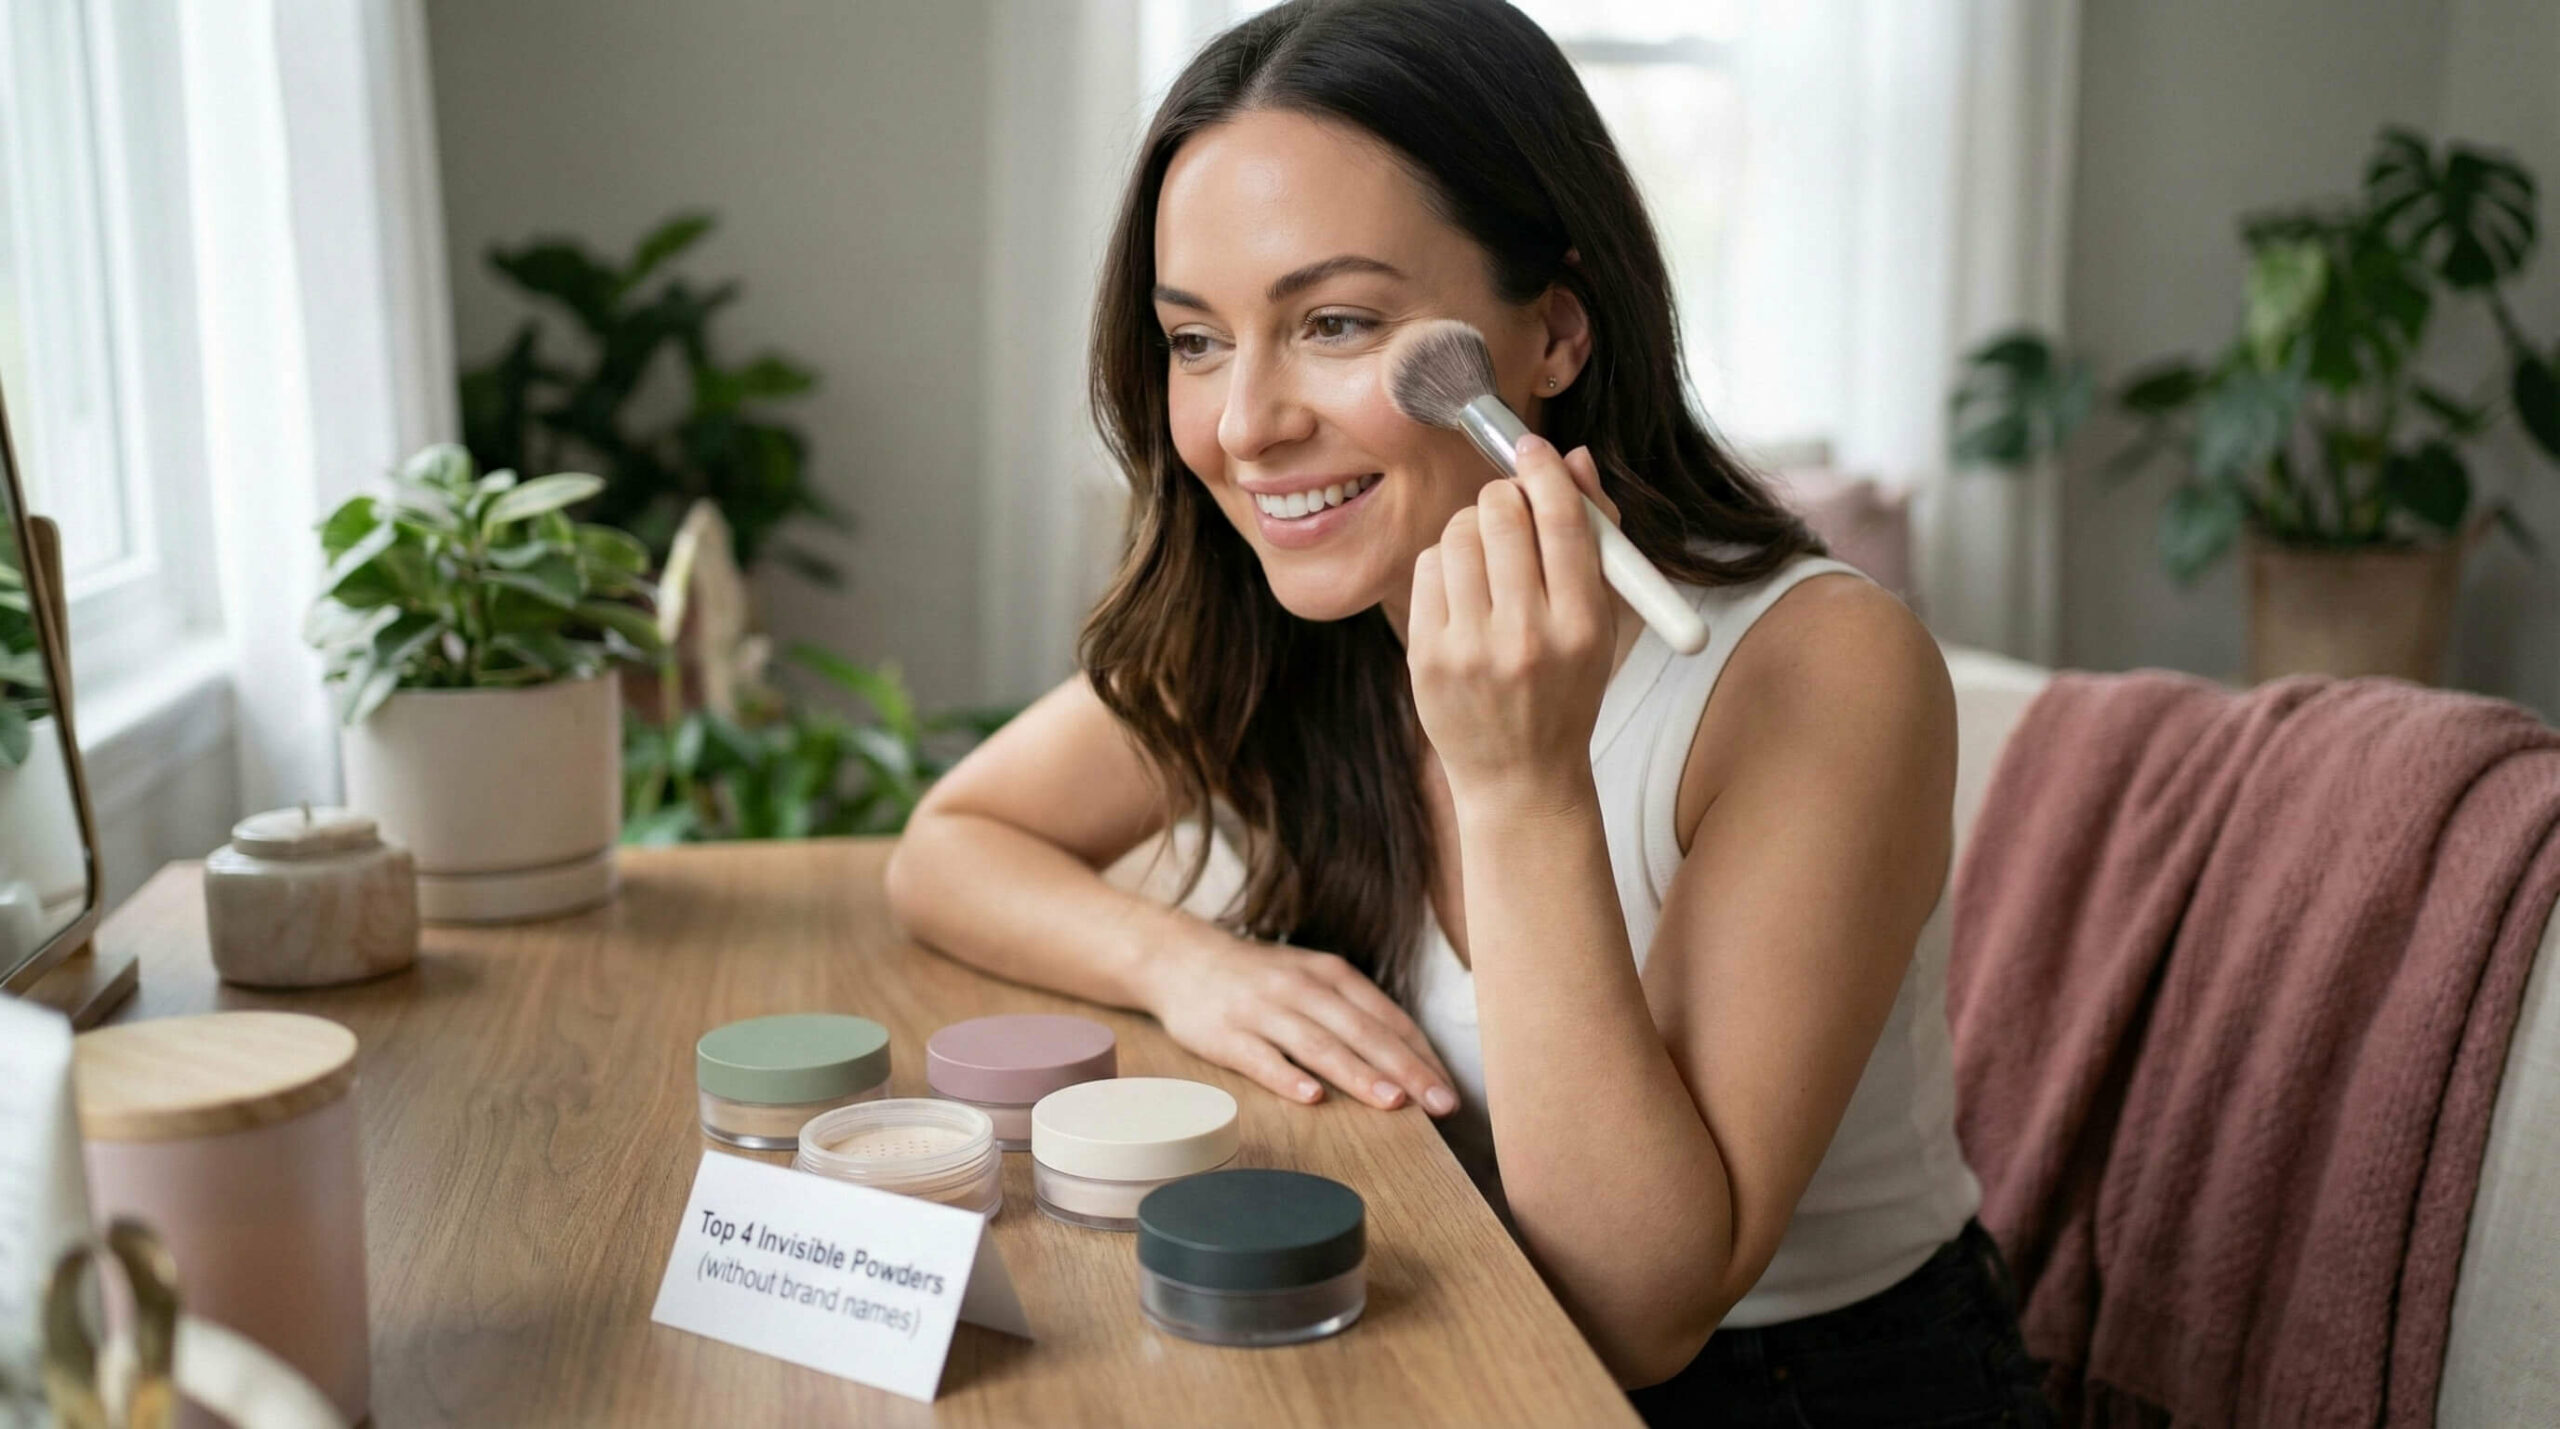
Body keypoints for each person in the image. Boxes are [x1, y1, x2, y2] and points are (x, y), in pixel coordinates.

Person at [887, 1, 2049, 1421]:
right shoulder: (1309, 607)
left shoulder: (1818, 670)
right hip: (1439, 1319)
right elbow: (950, 843)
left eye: (1333, 323)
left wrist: (1521, 785)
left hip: (1793, 1385)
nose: (1246, 423)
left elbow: (1632, 1311)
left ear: (1553, 328)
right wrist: (1189, 964)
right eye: (1196, 338)